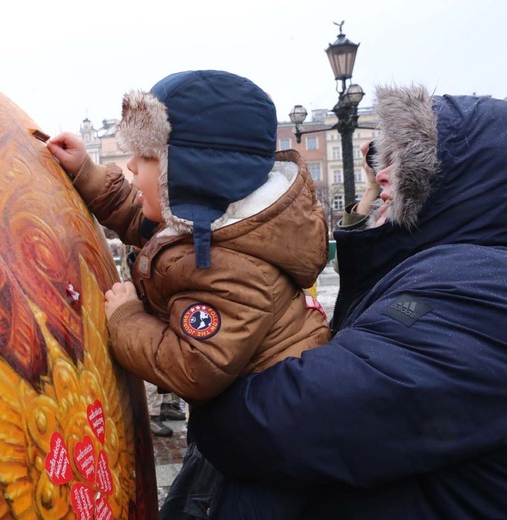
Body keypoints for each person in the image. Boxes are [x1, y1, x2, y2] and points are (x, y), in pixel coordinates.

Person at [189, 85, 507, 519]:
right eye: (384, 159)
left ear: (471, 185)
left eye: (403, 162)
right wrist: (373, 230)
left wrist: (207, 398)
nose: (380, 175)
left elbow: (294, 420)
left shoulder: (481, 286)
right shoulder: (444, 267)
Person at [47, 70, 331, 519]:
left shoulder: (231, 263)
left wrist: (124, 318)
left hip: (267, 454)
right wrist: (86, 172)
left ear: (194, 170)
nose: (132, 168)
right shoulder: (207, 223)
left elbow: (194, 366)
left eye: (146, 157)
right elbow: (136, 215)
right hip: (243, 429)